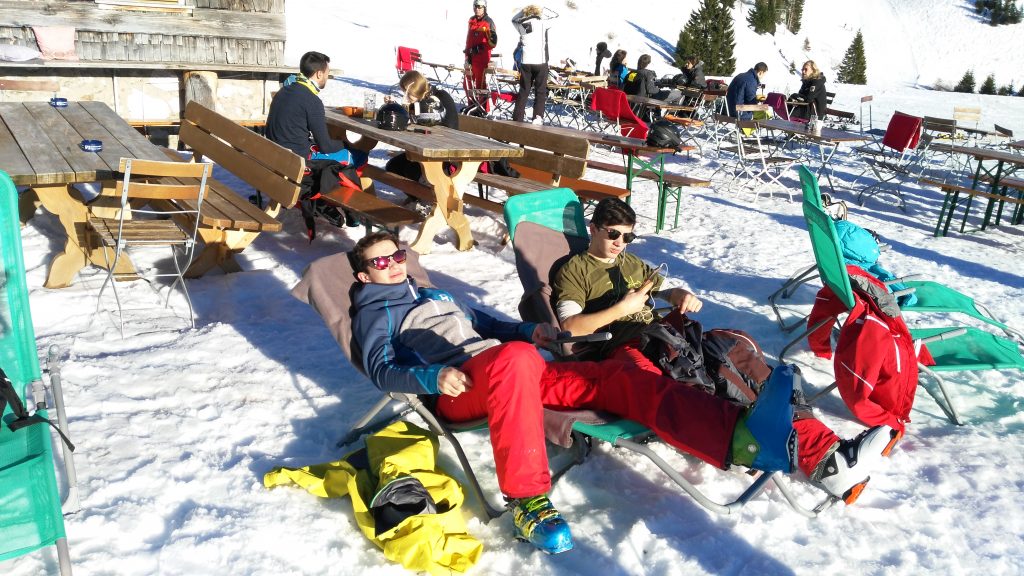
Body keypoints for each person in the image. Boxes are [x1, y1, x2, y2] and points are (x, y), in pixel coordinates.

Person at [349, 231, 839, 555]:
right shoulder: (374, 311)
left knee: (618, 376)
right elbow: (379, 370)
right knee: (517, 359)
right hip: (459, 388)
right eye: (381, 260)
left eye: (399, 254)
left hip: (513, 370)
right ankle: (528, 503)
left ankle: (737, 439)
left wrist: (529, 331)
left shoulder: (433, 294)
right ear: (363, 274)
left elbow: (487, 323)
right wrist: (433, 380)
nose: (394, 264)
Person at [551, 198, 901, 504]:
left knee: (736, 351)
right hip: (622, 346)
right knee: (685, 385)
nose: (619, 243)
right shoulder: (575, 270)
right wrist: (620, 310)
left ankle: (831, 451)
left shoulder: (631, 263)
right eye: (613, 234)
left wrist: (676, 295)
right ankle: (805, 455)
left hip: (665, 332)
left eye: (627, 236)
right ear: (594, 228)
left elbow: (659, 289)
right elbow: (570, 330)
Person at [265, 51, 367, 237]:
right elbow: (326, 146)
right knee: (358, 156)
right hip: (300, 163)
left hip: (278, 158)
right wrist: (344, 144)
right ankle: (348, 208)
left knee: (346, 152)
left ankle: (336, 205)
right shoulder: (311, 101)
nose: (327, 77)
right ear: (319, 74)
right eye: (327, 73)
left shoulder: (285, 91)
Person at [385, 71, 459, 184]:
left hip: (443, 152)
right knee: (393, 167)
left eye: (408, 94)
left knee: (411, 170)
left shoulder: (439, 97)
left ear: (415, 89)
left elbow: (448, 127)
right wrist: (393, 105)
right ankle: (414, 198)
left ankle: (429, 196)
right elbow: (411, 118)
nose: (406, 97)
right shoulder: (420, 100)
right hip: (424, 148)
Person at [511, 4, 553, 124]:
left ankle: (517, 118)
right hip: (541, 61)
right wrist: (544, 11)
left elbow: (513, 20)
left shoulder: (521, 25)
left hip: (526, 62)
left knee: (524, 90)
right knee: (540, 91)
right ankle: (537, 117)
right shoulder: (544, 23)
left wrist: (522, 12)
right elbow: (556, 16)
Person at [465, 0, 498, 112]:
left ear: (485, 8)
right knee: (467, 83)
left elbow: (493, 43)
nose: (477, 9)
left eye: (480, 7)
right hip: (470, 57)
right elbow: (469, 38)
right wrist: (468, 52)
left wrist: (480, 48)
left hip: (481, 58)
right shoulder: (472, 20)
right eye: (475, 6)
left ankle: (483, 108)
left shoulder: (488, 22)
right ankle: (472, 105)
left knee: (480, 86)